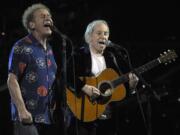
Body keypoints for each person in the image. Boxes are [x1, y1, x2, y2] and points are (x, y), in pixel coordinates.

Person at [66, 19, 139, 135]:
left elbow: (119, 92)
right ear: (89, 37)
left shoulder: (111, 57)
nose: (103, 37)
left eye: (106, 33)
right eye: (99, 33)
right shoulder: (79, 55)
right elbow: (66, 76)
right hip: (83, 117)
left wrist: (131, 87)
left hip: (107, 119)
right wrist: (84, 87)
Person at [7, 3, 58, 135]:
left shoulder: (51, 50)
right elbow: (12, 80)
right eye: (42, 16)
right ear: (32, 25)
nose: (48, 18)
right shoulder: (22, 46)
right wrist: (22, 110)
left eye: (49, 16)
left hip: (48, 118)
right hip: (28, 117)